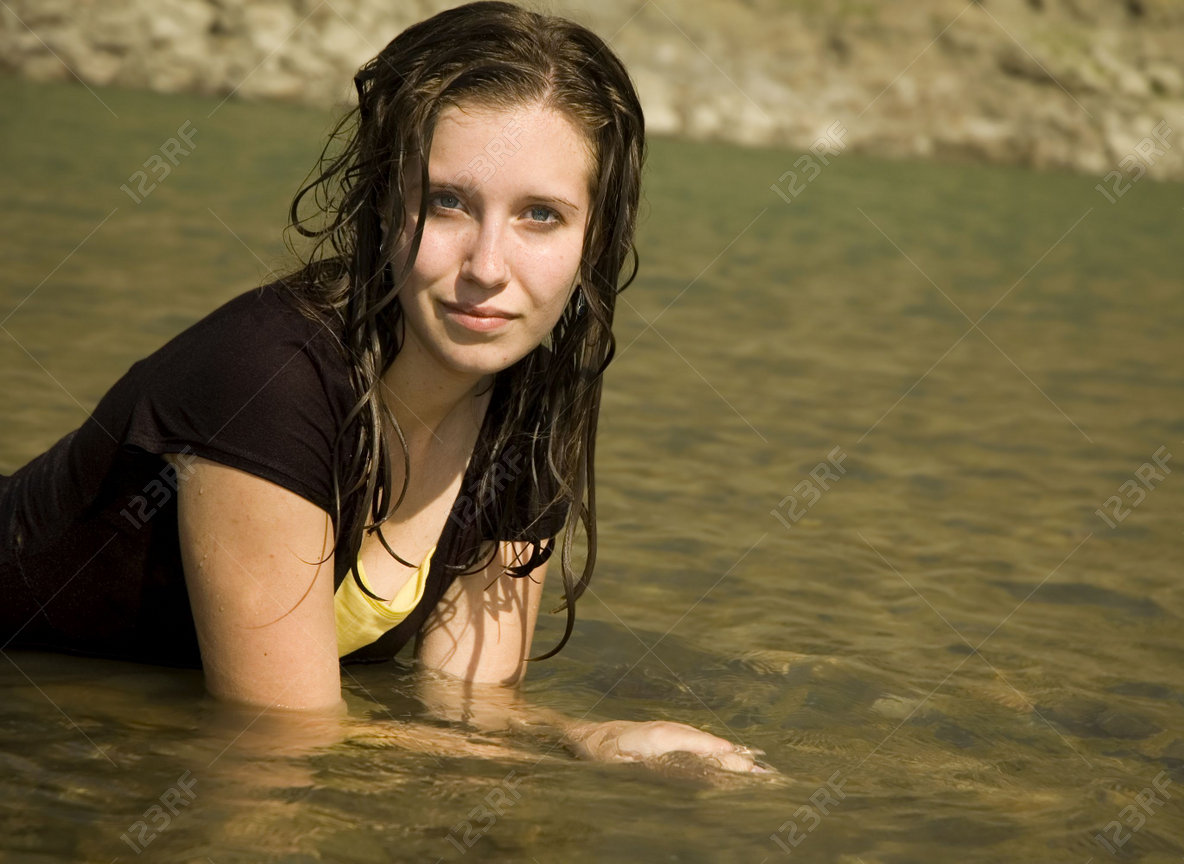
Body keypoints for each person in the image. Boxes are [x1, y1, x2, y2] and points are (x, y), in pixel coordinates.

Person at [0, 1, 769, 775]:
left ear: (592, 239)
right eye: (448, 202)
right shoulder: (272, 378)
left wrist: (592, 735)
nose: (488, 267)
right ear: (381, 203)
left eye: (541, 215)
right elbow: (280, 734)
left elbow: (467, 708)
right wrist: (565, 760)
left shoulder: (528, 402)